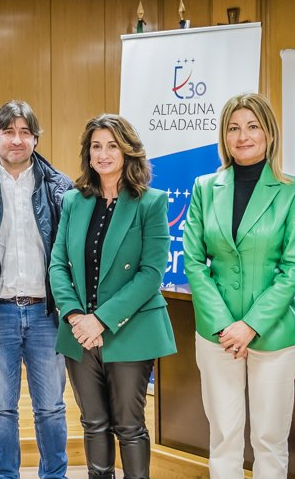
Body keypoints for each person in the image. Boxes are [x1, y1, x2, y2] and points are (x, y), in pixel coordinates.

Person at [182, 93, 295, 479]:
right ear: (224, 137)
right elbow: (193, 262)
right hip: (217, 334)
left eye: (252, 126)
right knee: (224, 437)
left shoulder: (292, 190)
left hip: (272, 335)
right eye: (234, 128)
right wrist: (225, 325)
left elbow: (293, 268)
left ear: (268, 133)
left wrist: (250, 324)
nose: (243, 136)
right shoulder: (205, 187)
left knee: (270, 441)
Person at [47, 114, 177, 479]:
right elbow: (58, 264)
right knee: (93, 423)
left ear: (127, 151)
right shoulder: (73, 201)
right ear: (88, 155)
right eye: (96, 147)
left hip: (130, 330)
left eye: (112, 146)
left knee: (129, 425)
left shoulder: (151, 203)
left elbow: (151, 274)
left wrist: (100, 320)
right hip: (79, 334)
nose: (103, 154)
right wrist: (76, 317)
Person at [0, 100, 74, 479]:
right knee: (0, 409)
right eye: (8, 131)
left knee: (51, 408)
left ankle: (54, 475)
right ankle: (4, 475)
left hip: (46, 313)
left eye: (25, 132)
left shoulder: (60, 187)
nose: (17, 139)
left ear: (36, 139)